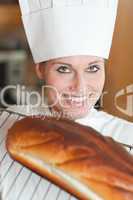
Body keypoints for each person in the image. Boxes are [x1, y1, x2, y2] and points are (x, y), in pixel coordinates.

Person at [0, 0, 133, 200]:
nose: (80, 86)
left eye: (92, 68)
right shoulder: (6, 124)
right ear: (40, 69)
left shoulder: (128, 137)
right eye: (64, 69)